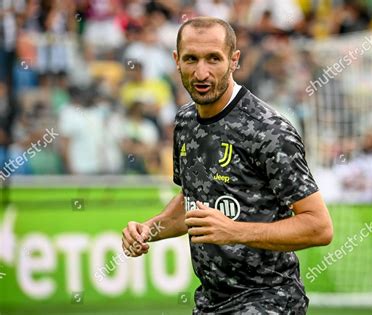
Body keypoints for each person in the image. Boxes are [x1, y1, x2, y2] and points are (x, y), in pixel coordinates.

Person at [121, 17, 333, 314]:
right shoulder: (184, 122)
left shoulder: (268, 131)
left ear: (234, 60)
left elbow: (319, 227)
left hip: (269, 300)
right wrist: (148, 230)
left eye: (214, 59)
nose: (201, 72)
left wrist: (235, 231)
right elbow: (192, 202)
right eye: (191, 59)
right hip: (210, 302)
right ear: (176, 61)